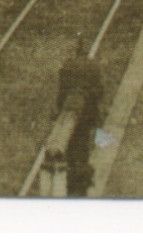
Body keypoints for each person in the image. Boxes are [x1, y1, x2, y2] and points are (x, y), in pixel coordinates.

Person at [56, 33, 105, 195]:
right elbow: (99, 92)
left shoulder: (68, 65)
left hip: (69, 109)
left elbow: (62, 90)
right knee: (82, 144)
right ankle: (80, 179)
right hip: (86, 113)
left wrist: (58, 109)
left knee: (70, 143)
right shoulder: (93, 67)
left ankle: (71, 176)